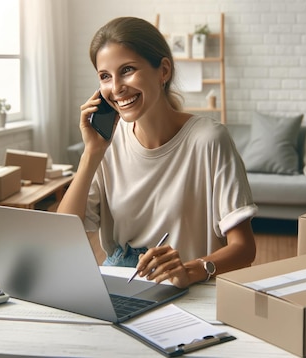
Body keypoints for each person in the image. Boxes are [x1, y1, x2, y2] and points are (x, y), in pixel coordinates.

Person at [57, 17, 257, 288]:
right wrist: (92, 153)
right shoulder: (107, 143)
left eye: (127, 70)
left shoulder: (209, 139)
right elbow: (62, 234)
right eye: (105, 76)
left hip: (188, 284)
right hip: (120, 280)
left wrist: (192, 269)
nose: (116, 88)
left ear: (163, 71)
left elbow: (244, 248)